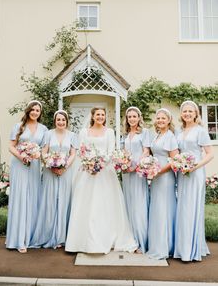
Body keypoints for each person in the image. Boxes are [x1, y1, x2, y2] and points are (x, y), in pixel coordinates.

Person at [65, 107, 137, 254]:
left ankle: (106, 238)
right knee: (86, 203)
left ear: (105, 116)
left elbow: (111, 151)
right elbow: (82, 150)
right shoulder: (84, 132)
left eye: (102, 115)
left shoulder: (109, 132)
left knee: (105, 204)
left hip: (105, 171)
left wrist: (99, 163)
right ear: (93, 116)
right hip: (87, 171)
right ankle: (80, 241)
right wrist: (89, 163)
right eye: (97, 114)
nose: (100, 117)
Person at [30, 110, 77, 249]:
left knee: (64, 200)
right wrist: (51, 165)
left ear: (67, 121)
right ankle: (48, 235)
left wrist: (65, 167)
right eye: (58, 120)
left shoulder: (73, 135)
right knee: (50, 200)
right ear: (55, 121)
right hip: (50, 171)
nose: (61, 122)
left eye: (63, 120)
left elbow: (73, 154)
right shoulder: (48, 134)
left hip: (66, 172)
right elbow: (43, 152)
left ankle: (62, 237)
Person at [174, 100, 214, 262]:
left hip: (195, 173)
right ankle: (182, 246)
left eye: (190, 111)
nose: (187, 114)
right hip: (182, 173)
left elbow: (210, 154)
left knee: (192, 208)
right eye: (185, 111)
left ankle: (191, 250)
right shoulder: (178, 131)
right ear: (181, 114)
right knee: (182, 208)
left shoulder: (200, 131)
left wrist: (195, 166)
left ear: (196, 114)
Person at [6, 100, 48, 253]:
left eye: (38, 110)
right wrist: (21, 156)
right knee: (21, 198)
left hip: (35, 166)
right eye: (33, 109)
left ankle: (31, 237)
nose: (35, 112)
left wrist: (46, 159)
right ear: (28, 110)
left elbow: (44, 150)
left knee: (33, 198)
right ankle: (18, 239)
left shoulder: (43, 129)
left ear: (40, 113)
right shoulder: (18, 126)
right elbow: (11, 146)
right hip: (20, 165)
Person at [147, 108, 179, 260]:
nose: (160, 120)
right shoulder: (157, 135)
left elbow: (175, 160)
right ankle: (156, 244)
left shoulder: (170, 136)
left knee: (164, 209)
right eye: (158, 118)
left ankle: (164, 247)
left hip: (165, 177)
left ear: (168, 121)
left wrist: (159, 171)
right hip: (155, 176)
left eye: (163, 118)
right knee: (157, 209)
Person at [122, 106, 150, 253]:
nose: (132, 119)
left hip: (138, 172)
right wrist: (123, 163)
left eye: (134, 116)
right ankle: (130, 239)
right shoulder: (125, 134)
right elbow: (124, 152)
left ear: (139, 117)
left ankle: (141, 241)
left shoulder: (144, 133)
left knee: (139, 205)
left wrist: (136, 166)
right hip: (127, 173)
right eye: (129, 117)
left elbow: (146, 151)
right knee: (129, 204)